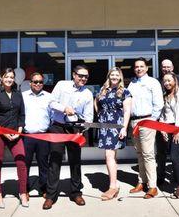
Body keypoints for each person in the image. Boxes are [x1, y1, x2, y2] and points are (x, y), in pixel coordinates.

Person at [43, 65, 94, 209]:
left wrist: (82, 130)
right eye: (80, 75)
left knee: (75, 161)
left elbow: (89, 117)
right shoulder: (61, 85)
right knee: (54, 161)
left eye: (86, 77)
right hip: (58, 126)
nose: (83, 79)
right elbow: (51, 102)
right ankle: (51, 195)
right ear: (73, 75)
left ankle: (76, 193)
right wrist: (64, 108)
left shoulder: (88, 93)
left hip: (75, 128)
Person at [0, 68, 28, 208]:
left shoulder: (18, 94)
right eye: (6, 77)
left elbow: (22, 114)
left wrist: (19, 130)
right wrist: (3, 132)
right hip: (0, 133)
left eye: (11, 77)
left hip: (16, 132)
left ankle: (23, 193)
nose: (9, 79)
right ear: (1, 78)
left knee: (21, 162)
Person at [128, 58, 164, 199]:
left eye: (141, 66)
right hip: (134, 121)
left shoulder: (153, 82)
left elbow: (159, 104)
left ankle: (152, 186)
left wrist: (152, 120)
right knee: (139, 154)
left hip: (147, 120)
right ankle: (141, 182)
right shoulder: (132, 83)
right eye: (136, 67)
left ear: (147, 68)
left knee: (148, 154)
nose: (139, 69)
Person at [95, 67, 132, 200]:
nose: (114, 77)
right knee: (111, 156)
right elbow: (97, 101)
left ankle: (112, 187)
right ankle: (114, 184)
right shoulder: (103, 90)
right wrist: (99, 113)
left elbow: (127, 111)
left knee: (109, 155)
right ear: (109, 76)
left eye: (117, 75)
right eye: (112, 75)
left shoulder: (125, 92)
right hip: (104, 126)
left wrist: (124, 128)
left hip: (117, 126)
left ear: (120, 77)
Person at [156, 73, 179, 198]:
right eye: (164, 81)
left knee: (175, 157)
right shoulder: (165, 95)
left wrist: (177, 130)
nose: (167, 83)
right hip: (167, 128)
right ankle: (178, 184)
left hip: (178, 128)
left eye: (169, 80)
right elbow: (164, 115)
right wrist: (163, 129)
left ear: (175, 80)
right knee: (170, 156)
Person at [22, 72, 53, 199]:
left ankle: (44, 188)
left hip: (43, 136)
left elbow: (52, 116)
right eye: (35, 82)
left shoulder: (48, 96)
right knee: (25, 164)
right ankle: (24, 189)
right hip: (27, 136)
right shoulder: (23, 96)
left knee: (44, 164)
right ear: (30, 83)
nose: (38, 84)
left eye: (40, 82)